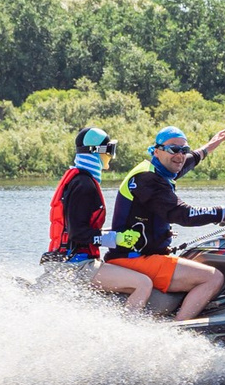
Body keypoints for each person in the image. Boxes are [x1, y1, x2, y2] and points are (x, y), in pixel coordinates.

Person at [106, 125, 225, 323]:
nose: (180, 155)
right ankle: (179, 330)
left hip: (148, 256)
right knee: (213, 277)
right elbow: (183, 214)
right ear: (156, 151)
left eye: (184, 150)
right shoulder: (147, 179)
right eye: (174, 149)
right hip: (133, 259)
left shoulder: (162, 169)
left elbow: (190, 160)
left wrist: (210, 146)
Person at [44, 126, 158, 309]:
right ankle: (129, 325)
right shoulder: (84, 186)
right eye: (110, 150)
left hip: (68, 261)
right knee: (143, 284)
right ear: (96, 151)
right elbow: (78, 234)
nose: (111, 156)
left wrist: (116, 234)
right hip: (76, 265)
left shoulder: (79, 179)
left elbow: (79, 228)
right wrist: (115, 239)